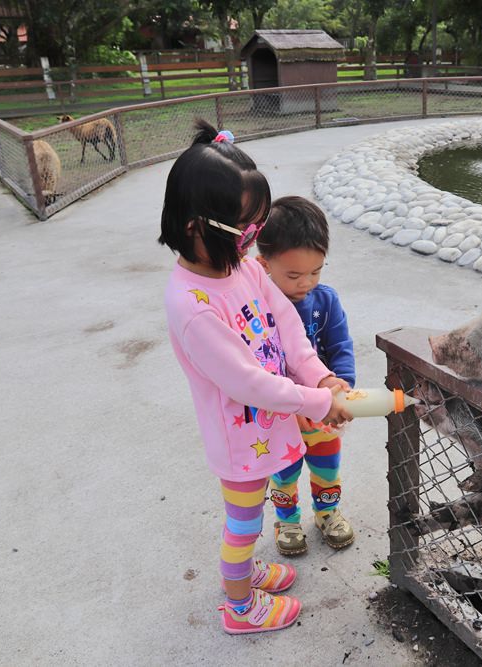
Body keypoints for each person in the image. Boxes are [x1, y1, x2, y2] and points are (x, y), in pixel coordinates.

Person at [159, 121, 352, 635]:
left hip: (266, 425)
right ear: (199, 228)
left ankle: (244, 575)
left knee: (257, 511)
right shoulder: (194, 307)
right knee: (242, 525)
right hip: (239, 437)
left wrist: (321, 374)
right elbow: (246, 383)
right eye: (246, 230)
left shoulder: (239, 267)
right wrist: (314, 402)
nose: (253, 242)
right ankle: (240, 607)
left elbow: (286, 323)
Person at [254, 196, 357, 556]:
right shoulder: (256, 307)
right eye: (294, 275)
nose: (306, 283)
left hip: (322, 410)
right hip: (280, 413)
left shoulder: (325, 301)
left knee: (326, 464)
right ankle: (287, 518)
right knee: (283, 470)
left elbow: (341, 346)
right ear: (263, 264)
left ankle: (327, 512)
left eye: (316, 271)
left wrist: (344, 389)